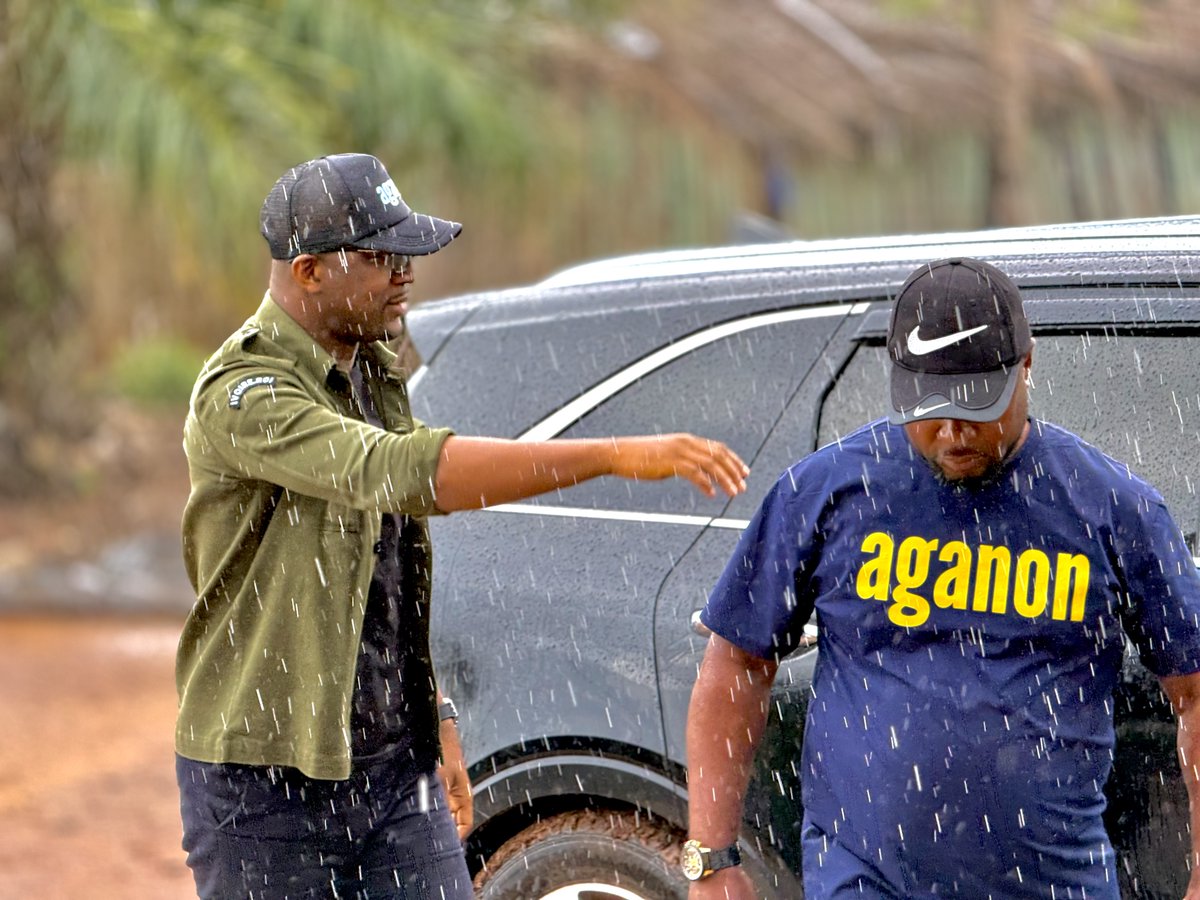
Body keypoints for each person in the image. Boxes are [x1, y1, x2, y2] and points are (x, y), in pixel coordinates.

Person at [174, 152, 749, 900]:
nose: (406, 272)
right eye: (381, 256)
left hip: (391, 770)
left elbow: (381, 578)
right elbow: (403, 472)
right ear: (310, 271)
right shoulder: (243, 393)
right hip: (267, 780)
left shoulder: (370, 368)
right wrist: (612, 454)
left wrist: (435, 714)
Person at [683, 257, 1200, 899]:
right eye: (929, 408)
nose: (952, 431)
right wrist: (710, 859)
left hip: (1051, 885)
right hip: (865, 881)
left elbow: (1195, 691)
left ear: (1026, 366)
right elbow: (737, 662)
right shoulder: (825, 493)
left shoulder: (1111, 508)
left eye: (976, 406)